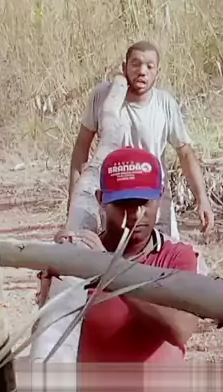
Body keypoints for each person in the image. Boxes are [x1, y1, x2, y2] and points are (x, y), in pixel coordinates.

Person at [37, 147, 201, 363]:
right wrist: (54, 275)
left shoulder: (176, 257)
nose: (135, 215)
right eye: (124, 204)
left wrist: (110, 271)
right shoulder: (82, 258)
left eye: (144, 202)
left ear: (160, 197)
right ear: (101, 199)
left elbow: (180, 328)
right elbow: (51, 338)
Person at [67, 40, 214, 241]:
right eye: (135, 64)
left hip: (153, 200)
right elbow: (81, 148)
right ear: (124, 67)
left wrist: (202, 199)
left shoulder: (165, 104)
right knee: (104, 252)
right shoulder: (103, 97)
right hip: (113, 199)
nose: (142, 71)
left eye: (149, 66)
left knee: (161, 253)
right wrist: (74, 199)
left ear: (157, 73)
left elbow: (185, 153)